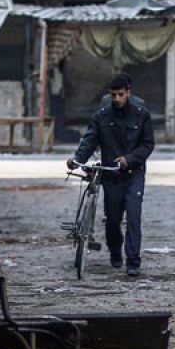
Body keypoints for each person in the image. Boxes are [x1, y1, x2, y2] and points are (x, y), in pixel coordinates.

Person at [68, 72, 155, 276]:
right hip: (111, 175)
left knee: (133, 216)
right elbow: (90, 140)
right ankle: (115, 251)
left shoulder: (141, 114)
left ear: (128, 93)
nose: (117, 99)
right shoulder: (102, 115)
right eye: (114, 95)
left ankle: (133, 261)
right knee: (113, 219)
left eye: (121, 94)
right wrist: (76, 159)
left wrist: (129, 159)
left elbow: (148, 144)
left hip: (134, 173)